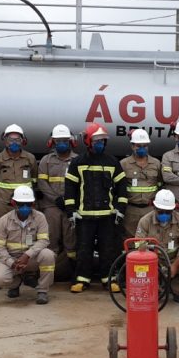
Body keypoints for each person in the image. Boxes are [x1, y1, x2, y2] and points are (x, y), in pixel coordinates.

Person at [65, 123, 128, 293]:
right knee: (83, 248)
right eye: (97, 141)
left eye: (102, 141)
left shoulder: (112, 162)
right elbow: (70, 189)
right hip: (84, 216)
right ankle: (82, 279)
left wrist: (120, 209)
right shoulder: (77, 162)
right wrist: (71, 212)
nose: (100, 144)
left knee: (108, 248)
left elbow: (122, 187)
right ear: (88, 141)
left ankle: (109, 279)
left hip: (107, 216)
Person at [0, 186, 54, 304]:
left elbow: (44, 240)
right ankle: (15, 283)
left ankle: (42, 291)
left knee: (48, 255)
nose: (25, 207)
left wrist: (27, 255)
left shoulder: (40, 217)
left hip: (31, 258)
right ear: (14, 203)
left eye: (28, 204)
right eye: (21, 204)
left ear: (33, 204)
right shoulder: (4, 220)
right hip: (11, 258)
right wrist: (11, 263)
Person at [135, 189, 179, 303]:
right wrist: (155, 266)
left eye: (168, 212)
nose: (164, 215)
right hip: (153, 259)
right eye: (160, 212)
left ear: (173, 209)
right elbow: (139, 246)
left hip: (175, 257)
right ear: (154, 208)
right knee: (140, 272)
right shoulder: (145, 221)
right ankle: (155, 288)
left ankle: (175, 289)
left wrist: (175, 265)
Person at [36, 124, 77, 278]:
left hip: (70, 208)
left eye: (65, 141)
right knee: (51, 242)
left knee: (71, 243)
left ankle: (72, 273)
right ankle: (48, 276)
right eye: (58, 141)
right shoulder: (46, 161)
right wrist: (56, 198)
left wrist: (70, 201)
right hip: (51, 207)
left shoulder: (77, 160)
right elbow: (42, 183)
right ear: (52, 142)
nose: (61, 144)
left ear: (71, 142)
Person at [120, 129, 163, 239]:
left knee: (151, 238)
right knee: (131, 239)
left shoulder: (156, 163)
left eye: (145, 146)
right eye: (139, 146)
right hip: (131, 210)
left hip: (150, 209)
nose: (142, 149)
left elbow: (161, 183)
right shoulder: (124, 164)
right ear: (132, 146)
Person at [0, 123, 36, 222]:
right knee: (0, 232)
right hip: (3, 205)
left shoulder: (30, 158)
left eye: (17, 140)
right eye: (11, 140)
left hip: (24, 205)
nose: (14, 143)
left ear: (22, 141)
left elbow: (34, 181)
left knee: (25, 231)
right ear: (5, 141)